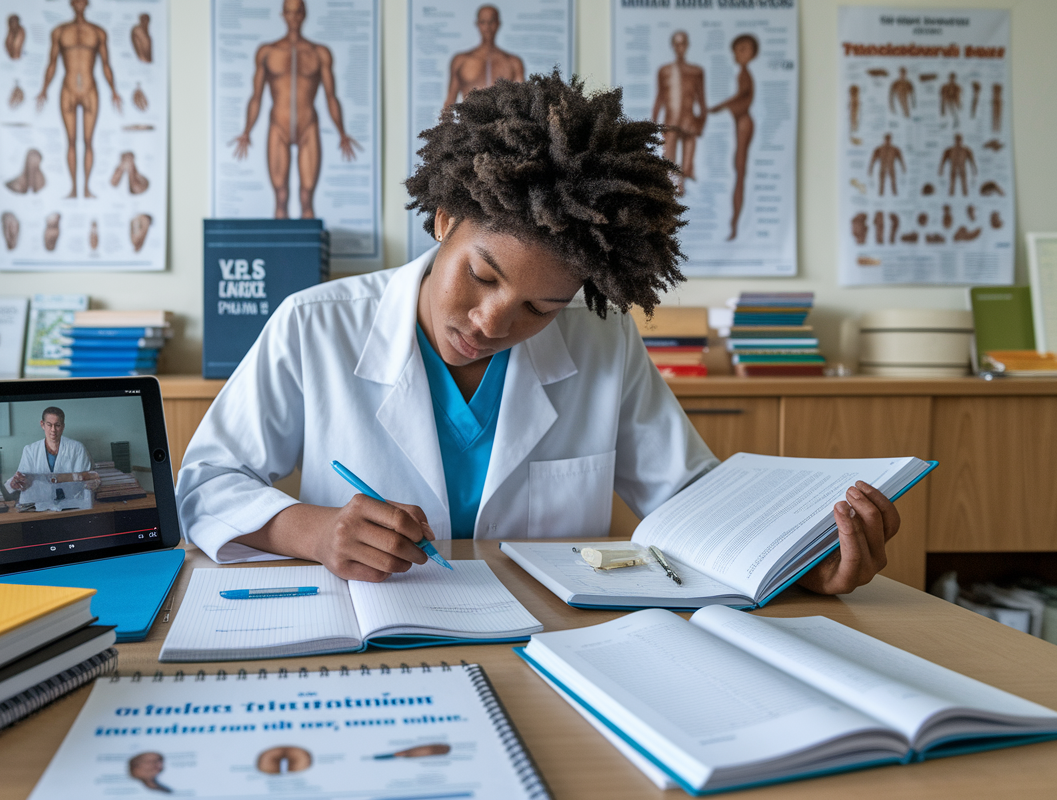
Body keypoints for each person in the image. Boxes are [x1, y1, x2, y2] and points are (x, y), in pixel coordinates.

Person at [176, 72, 900, 596]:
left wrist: (802, 565)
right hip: (374, 637)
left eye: (541, 308)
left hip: (548, 641)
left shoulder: (602, 344)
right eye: (483, 277)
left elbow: (690, 504)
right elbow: (205, 485)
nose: (495, 323)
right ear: (444, 220)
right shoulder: (314, 324)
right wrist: (311, 530)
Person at [231, 0, 359, 219]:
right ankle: (280, 252)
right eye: (289, 12)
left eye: (298, 12)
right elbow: (256, 97)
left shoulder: (319, 53)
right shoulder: (267, 52)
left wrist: (342, 132)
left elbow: (331, 97)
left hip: (308, 125)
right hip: (277, 126)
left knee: (306, 197)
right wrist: (246, 131)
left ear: (304, 14)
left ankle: (306, 252)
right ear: (283, 14)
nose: (294, 17)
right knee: (280, 196)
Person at [36, 0, 122, 199]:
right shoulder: (59, 31)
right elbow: (52, 63)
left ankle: (86, 188)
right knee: (71, 141)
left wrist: (114, 91)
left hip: (90, 89)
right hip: (68, 89)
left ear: (86, 4)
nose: (79, 3)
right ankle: (74, 188)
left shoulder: (98, 32)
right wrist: (44, 89)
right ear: (72, 4)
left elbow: (106, 65)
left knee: (89, 141)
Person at [709, 33, 758, 241]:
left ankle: (735, 223)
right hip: (741, 122)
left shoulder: (745, 75)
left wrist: (720, 106)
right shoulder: (743, 73)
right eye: (736, 49)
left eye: (743, 49)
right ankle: (734, 222)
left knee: (740, 173)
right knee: (738, 171)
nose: (738, 54)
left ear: (752, 53)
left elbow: (742, 97)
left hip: (744, 123)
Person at [651, 30, 706, 196]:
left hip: (689, 121)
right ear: (673, 46)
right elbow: (660, 98)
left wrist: (701, 122)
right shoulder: (665, 71)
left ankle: (682, 192)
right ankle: (675, 193)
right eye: (677, 43)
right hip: (670, 122)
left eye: (682, 43)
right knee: (669, 164)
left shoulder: (696, 72)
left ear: (687, 45)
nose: (680, 47)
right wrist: (653, 125)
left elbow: (702, 100)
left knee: (687, 165)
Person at [443, 5, 525, 108]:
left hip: (502, 122)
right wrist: (444, 123)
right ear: (477, 24)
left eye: (491, 22)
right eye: (483, 22)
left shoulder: (513, 63)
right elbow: (450, 102)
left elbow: (522, 103)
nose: (487, 28)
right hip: (469, 122)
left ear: (498, 24)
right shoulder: (460, 61)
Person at [6, 407, 93, 491]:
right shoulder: (30, 450)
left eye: (57, 425)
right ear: (42, 424)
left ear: (63, 426)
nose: (53, 430)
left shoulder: (77, 448)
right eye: (49, 425)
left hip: (73, 501)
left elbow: (86, 478)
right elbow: (22, 478)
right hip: (40, 502)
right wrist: (16, 482)